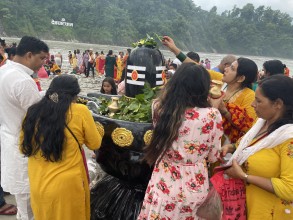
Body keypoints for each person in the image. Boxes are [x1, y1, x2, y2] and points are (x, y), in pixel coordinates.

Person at [138, 63, 223, 219]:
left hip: (163, 183)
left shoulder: (158, 107)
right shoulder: (212, 115)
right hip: (194, 184)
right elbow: (213, 156)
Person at [20, 74, 102, 220]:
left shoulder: (33, 111)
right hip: (67, 187)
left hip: (38, 184)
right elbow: (95, 143)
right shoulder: (80, 111)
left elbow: (23, 147)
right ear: (75, 95)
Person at [222, 74, 293, 219]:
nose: (253, 104)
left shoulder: (288, 138)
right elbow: (249, 144)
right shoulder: (262, 123)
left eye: (258, 100)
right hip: (245, 206)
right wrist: (230, 148)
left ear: (277, 104)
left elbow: (289, 188)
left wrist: (244, 176)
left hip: (269, 212)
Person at [0, 36, 49, 220]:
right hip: (23, 143)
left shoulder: (4, 71)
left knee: (23, 201)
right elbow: (38, 115)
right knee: (29, 203)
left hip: (8, 135)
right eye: (42, 58)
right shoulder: (22, 80)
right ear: (29, 55)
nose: (43, 63)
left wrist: (45, 94)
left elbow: (28, 100)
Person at [209, 57, 258, 145]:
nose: (225, 69)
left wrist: (224, 111)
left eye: (232, 68)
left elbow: (247, 127)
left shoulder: (249, 95)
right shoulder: (221, 82)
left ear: (241, 78)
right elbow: (199, 70)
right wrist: (175, 49)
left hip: (227, 145)